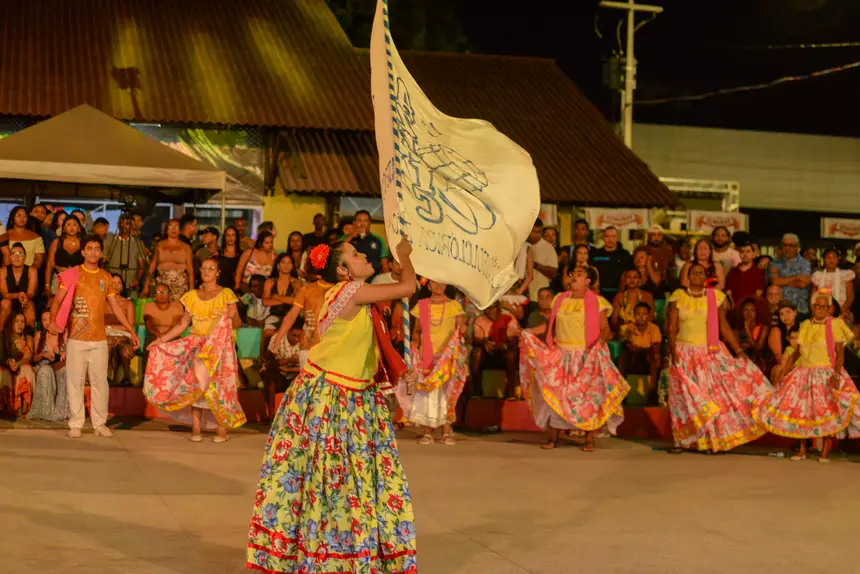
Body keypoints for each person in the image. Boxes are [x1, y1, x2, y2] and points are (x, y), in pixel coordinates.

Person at [246, 237, 418, 574]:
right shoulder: (350, 291)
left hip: (354, 396)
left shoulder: (357, 297)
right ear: (342, 271)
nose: (364, 254)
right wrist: (406, 256)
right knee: (335, 482)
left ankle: (338, 553)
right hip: (333, 397)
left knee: (346, 482)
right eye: (354, 254)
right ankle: (329, 555)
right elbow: (409, 287)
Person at [519, 266, 630, 451]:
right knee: (558, 395)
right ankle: (553, 437)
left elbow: (605, 329)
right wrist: (529, 331)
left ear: (588, 281)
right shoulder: (560, 299)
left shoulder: (597, 301)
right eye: (572, 274)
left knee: (586, 398)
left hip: (585, 355)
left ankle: (589, 439)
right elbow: (550, 326)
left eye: (579, 274)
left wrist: (599, 343)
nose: (574, 277)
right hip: (561, 355)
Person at [665, 263, 770, 453]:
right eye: (693, 273)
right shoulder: (678, 296)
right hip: (684, 352)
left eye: (701, 273)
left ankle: (710, 441)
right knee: (684, 398)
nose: (697, 276)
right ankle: (682, 440)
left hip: (709, 352)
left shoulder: (715, 297)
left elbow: (724, 327)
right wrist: (672, 353)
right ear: (687, 277)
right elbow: (671, 328)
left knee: (711, 397)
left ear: (706, 277)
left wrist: (738, 350)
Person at [752, 289, 860, 463]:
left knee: (826, 411)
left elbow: (840, 354)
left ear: (829, 309)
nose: (821, 310)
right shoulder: (805, 325)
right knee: (802, 411)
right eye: (817, 306)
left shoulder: (835, 324)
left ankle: (825, 452)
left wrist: (836, 373)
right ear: (812, 307)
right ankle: (802, 450)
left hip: (825, 373)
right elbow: (797, 352)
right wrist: (785, 370)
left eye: (824, 307)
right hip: (804, 372)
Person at [144, 256, 244, 442]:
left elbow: (237, 323)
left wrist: (233, 316)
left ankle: (221, 429)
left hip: (220, 347)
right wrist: (161, 340)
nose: (206, 271)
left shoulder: (226, 294)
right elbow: (183, 324)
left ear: (218, 272)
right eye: (204, 268)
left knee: (219, 386)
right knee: (197, 385)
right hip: (198, 345)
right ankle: (196, 428)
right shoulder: (191, 296)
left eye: (211, 268)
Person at [48, 235, 140, 438]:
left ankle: (100, 424)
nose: (93, 252)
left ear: (101, 253)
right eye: (89, 248)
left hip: (99, 338)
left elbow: (115, 307)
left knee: (100, 383)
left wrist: (131, 331)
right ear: (82, 252)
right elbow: (58, 301)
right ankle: (76, 424)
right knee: (75, 382)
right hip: (76, 337)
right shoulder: (73, 275)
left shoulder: (106, 277)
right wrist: (54, 324)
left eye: (97, 248)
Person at [399, 280, 468, 445]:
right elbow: (417, 331)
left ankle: (446, 432)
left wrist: (463, 329)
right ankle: (427, 432)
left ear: (446, 286)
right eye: (434, 283)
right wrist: (414, 346)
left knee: (447, 394)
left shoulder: (454, 306)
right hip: (427, 355)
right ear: (428, 286)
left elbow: (462, 330)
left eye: (441, 283)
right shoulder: (422, 305)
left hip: (448, 356)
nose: (438, 286)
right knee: (428, 394)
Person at [268, 252, 334, 370]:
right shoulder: (306, 289)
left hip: (331, 347)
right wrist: (278, 339)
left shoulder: (340, 289)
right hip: (309, 347)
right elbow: (291, 315)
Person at [25, 310, 68, 422]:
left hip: (59, 366)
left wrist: (65, 352)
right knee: (46, 371)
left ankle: (60, 411)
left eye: (50, 318)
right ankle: (45, 411)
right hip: (43, 366)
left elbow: (71, 353)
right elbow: (34, 358)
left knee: (64, 371)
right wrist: (44, 354)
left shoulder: (63, 333)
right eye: (44, 320)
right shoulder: (39, 335)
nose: (47, 322)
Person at [471, 301, 519, 400]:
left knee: (511, 355)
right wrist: (484, 343)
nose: (489, 311)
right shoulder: (479, 320)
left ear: (498, 308)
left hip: (504, 351)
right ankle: (477, 390)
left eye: (492, 308)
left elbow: (513, 340)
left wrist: (504, 345)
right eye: (487, 309)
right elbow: (476, 339)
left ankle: (510, 391)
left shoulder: (508, 318)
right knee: (476, 353)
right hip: (488, 353)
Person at [143, 219, 194, 301]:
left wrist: (191, 288)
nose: (174, 229)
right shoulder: (159, 245)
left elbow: (190, 269)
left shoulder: (186, 247)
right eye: (171, 227)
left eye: (176, 227)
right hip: (162, 284)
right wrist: (146, 285)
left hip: (180, 285)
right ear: (166, 230)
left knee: (178, 308)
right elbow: (152, 265)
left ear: (180, 230)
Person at [619, 301, 662, 396]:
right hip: (633, 354)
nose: (641, 317)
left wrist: (645, 351)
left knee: (654, 357)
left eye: (644, 314)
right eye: (638, 314)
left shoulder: (654, 328)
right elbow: (626, 342)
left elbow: (656, 346)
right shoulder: (629, 327)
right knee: (623, 357)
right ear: (634, 315)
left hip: (648, 354)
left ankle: (653, 391)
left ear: (649, 316)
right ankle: (622, 392)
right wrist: (632, 347)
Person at [769, 233, 812, 320]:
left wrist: (781, 281)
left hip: (799, 308)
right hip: (779, 309)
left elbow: (802, 284)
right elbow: (774, 281)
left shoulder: (805, 263)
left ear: (797, 247)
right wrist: (796, 277)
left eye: (790, 245)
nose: (787, 248)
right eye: (785, 245)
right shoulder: (774, 263)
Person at [103, 214, 146, 297]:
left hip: (130, 285)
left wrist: (137, 280)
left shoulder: (138, 243)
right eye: (122, 223)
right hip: (113, 285)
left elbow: (141, 266)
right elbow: (103, 263)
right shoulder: (110, 240)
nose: (124, 226)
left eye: (128, 224)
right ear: (118, 225)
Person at [104, 274, 136, 386]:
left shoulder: (128, 304)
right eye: (113, 283)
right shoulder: (102, 302)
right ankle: (104, 376)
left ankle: (127, 377)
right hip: (105, 335)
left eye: (119, 283)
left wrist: (110, 327)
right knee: (108, 343)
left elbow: (129, 326)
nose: (116, 286)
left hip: (123, 335)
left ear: (122, 287)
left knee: (124, 347)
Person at [2, 311, 35, 417]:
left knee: (26, 368)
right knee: (3, 371)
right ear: (11, 323)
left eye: (22, 322)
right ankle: (7, 406)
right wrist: (9, 361)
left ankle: (24, 405)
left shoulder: (28, 338)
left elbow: (28, 357)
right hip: (7, 366)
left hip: (20, 367)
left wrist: (18, 364)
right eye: (16, 321)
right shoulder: (5, 337)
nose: (20, 324)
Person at [0, 242, 38, 328]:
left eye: (20, 254)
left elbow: (31, 293)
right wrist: (17, 295)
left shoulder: (32, 271)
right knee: (5, 303)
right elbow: (4, 293)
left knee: (29, 305)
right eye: (13, 254)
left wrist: (24, 297)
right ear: (10, 257)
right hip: (9, 300)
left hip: (25, 300)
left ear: (25, 256)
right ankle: (1, 333)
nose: (17, 257)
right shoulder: (3, 271)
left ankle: (29, 334)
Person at [261, 253, 300, 337]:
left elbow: (296, 301)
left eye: (289, 262)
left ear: (292, 266)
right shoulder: (270, 282)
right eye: (283, 262)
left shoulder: (296, 283)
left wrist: (276, 297)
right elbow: (265, 302)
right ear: (278, 266)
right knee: (267, 332)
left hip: (292, 316)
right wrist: (287, 300)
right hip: (275, 315)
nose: (286, 265)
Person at [811, 247, 854, 320]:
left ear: (838, 259)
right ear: (824, 260)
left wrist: (841, 310)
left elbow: (850, 297)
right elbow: (813, 297)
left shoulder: (846, 274)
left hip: (842, 311)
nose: (831, 260)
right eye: (828, 258)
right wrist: (816, 312)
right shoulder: (817, 276)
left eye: (834, 257)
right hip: (821, 312)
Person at [591, 226, 632, 301]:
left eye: (613, 236)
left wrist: (621, 291)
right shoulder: (595, 254)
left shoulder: (625, 254)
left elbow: (629, 274)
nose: (610, 239)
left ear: (617, 238)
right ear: (603, 238)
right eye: (607, 236)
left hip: (620, 294)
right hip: (599, 294)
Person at [45, 216, 84, 296]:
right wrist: (47, 285)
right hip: (58, 279)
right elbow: (50, 264)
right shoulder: (57, 242)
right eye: (68, 224)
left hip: (79, 280)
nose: (72, 228)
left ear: (79, 228)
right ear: (63, 228)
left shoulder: (84, 243)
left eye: (74, 224)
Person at [344, 209, 389, 276]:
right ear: (354, 223)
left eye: (365, 221)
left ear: (370, 223)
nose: (362, 224)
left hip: (373, 278)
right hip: (351, 278)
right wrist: (350, 236)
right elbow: (336, 253)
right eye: (359, 220)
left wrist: (386, 279)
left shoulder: (378, 239)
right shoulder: (346, 238)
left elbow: (385, 266)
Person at [612, 268, 655, 334]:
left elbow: (651, 318)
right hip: (624, 332)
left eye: (635, 277)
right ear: (625, 280)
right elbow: (614, 320)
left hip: (643, 332)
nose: (632, 280)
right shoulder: (619, 297)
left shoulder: (647, 296)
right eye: (629, 277)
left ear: (640, 280)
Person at [725, 240, 765, 310]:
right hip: (735, 309)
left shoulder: (759, 272)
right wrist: (734, 306)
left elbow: (758, 293)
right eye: (742, 251)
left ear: (753, 254)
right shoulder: (732, 272)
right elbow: (729, 293)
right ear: (739, 254)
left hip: (752, 310)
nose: (745, 254)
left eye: (748, 251)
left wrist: (747, 308)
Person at [143, 283, 184, 347]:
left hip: (173, 336)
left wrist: (164, 336)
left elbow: (176, 325)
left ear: (169, 293)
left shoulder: (177, 305)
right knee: (150, 338)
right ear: (154, 295)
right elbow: (150, 324)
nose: (161, 295)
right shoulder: (149, 306)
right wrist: (159, 335)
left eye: (165, 291)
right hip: (155, 336)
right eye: (158, 292)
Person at [527, 218, 558, 304]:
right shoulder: (520, 244)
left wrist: (534, 265)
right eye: (533, 231)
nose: (536, 235)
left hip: (538, 298)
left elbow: (553, 272)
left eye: (539, 232)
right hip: (520, 295)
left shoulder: (548, 247)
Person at [768, 300, 799, 385]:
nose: (785, 316)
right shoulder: (776, 331)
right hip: (782, 364)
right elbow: (778, 357)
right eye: (781, 314)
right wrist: (788, 367)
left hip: (799, 363)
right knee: (779, 369)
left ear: (795, 312)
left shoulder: (802, 329)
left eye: (788, 312)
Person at [734, 297, 769, 369]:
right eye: (745, 310)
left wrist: (747, 330)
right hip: (742, 359)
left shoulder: (763, 328)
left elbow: (758, 349)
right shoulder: (737, 329)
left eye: (753, 310)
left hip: (757, 360)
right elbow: (737, 348)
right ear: (742, 312)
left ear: (757, 312)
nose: (749, 313)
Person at [644, 225, 675, 294]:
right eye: (653, 235)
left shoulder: (668, 251)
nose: (656, 238)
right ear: (649, 236)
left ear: (662, 237)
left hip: (663, 287)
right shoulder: (643, 250)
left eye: (659, 235)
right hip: (645, 286)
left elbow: (671, 271)